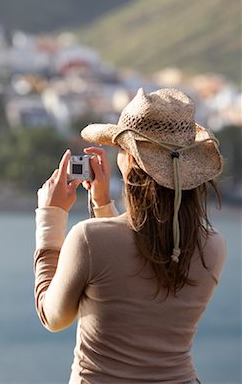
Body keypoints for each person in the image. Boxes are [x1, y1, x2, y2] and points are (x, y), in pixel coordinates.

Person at [34, 88, 226, 384]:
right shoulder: (212, 247)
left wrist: (51, 215)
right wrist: (102, 205)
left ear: (132, 163)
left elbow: (53, 317)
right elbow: (137, 261)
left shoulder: (89, 239)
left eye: (121, 149)